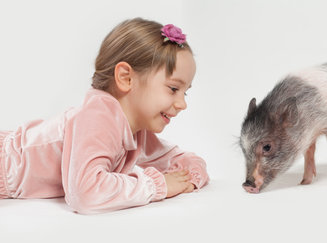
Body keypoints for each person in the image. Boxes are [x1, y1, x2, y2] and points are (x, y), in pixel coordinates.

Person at [0, 18, 209, 214]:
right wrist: (158, 185)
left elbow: (182, 158)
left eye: (185, 92)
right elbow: (85, 193)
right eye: (173, 89)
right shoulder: (97, 117)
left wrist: (189, 178)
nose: (183, 104)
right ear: (126, 78)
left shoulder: (136, 130)